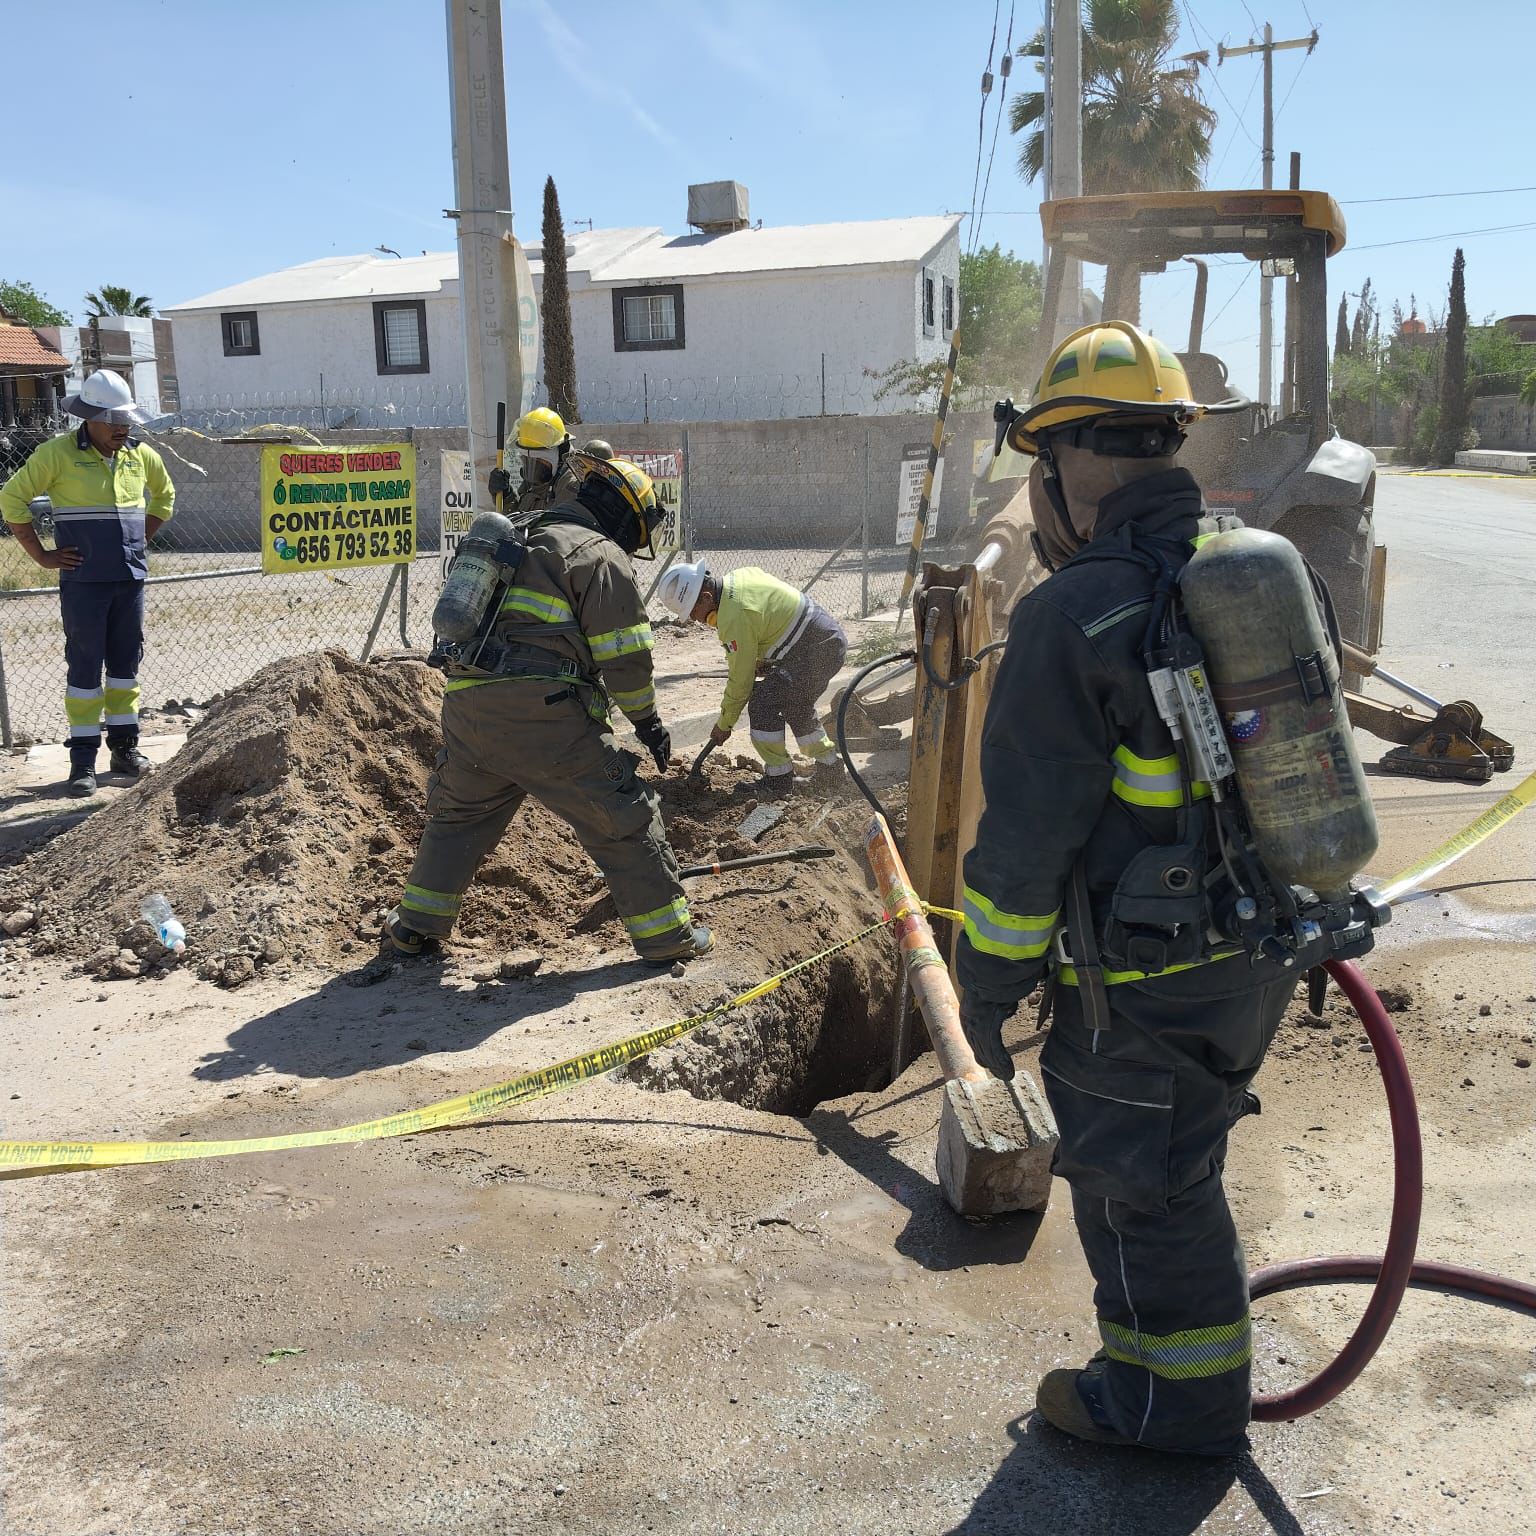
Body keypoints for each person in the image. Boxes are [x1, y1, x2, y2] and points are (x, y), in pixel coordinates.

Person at [956, 322, 1310, 1456]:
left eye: (1041, 467)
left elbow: (1025, 841)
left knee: (1149, 1188)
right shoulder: (1251, 565)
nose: (1041, 493)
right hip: (1253, 953)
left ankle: (1173, 1409)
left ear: (1076, 463)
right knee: (1150, 1165)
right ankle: (1148, 1372)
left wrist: (985, 987)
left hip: (1140, 982)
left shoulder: (1072, 615)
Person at [387, 456, 712, 966]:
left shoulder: (520, 534)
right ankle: (667, 936)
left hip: (467, 708)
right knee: (623, 817)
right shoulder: (597, 553)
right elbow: (624, 657)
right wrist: (648, 724)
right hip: (544, 718)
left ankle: (413, 929)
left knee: (456, 821)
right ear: (625, 515)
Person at [0, 368, 173, 797]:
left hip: (128, 581)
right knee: (84, 669)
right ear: (89, 418)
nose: (121, 428)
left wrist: (138, 540)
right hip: (84, 585)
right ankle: (82, 761)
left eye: (126, 420)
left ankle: (125, 749)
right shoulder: (55, 454)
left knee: (125, 668)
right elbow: (11, 498)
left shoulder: (140, 455)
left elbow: (165, 497)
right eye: (111, 420)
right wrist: (41, 555)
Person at [657, 561, 846, 799]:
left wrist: (725, 723)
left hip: (816, 650)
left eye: (693, 612)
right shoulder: (737, 580)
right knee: (795, 704)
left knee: (763, 702)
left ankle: (778, 780)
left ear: (706, 597)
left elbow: (740, 681)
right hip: (824, 641)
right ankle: (830, 770)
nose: (695, 620)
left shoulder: (733, 616)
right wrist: (763, 657)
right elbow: (768, 618)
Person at [489, 406, 580, 515]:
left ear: (560, 453)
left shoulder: (572, 485)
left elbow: (556, 527)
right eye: (528, 460)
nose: (534, 467)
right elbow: (521, 518)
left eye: (539, 460)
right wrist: (506, 497)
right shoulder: (534, 482)